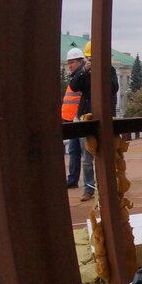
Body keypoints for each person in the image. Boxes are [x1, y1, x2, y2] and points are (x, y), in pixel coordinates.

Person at [68, 40, 120, 202]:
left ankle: (110, 186)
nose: (92, 62)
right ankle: (89, 189)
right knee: (87, 157)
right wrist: (85, 71)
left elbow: (113, 88)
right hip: (86, 117)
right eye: (90, 59)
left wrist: (102, 73)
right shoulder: (84, 71)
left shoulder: (109, 70)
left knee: (108, 155)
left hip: (104, 118)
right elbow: (74, 86)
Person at [62, 47, 85, 188]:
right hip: (72, 121)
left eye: (72, 62)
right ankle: (72, 180)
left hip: (80, 121)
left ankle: (88, 183)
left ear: (80, 62)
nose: (69, 66)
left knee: (83, 153)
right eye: (68, 63)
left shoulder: (81, 78)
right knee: (73, 151)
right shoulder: (75, 77)